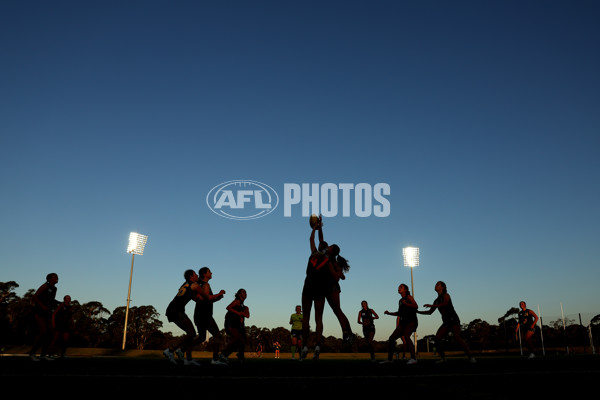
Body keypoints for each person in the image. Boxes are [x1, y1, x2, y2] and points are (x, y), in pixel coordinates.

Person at [417, 281, 476, 363]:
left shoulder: (446, 295)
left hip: (453, 319)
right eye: (436, 284)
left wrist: (432, 305)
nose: (436, 285)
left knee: (457, 338)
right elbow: (429, 312)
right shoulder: (436, 300)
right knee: (437, 339)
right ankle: (443, 358)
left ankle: (471, 357)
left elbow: (444, 304)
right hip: (446, 322)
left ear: (443, 287)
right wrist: (417, 312)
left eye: (438, 284)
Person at [164, 269, 202, 366]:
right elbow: (201, 298)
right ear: (191, 277)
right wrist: (215, 296)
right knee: (192, 333)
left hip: (174, 309)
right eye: (195, 274)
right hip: (177, 310)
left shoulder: (185, 284)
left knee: (191, 333)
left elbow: (193, 298)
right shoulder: (194, 285)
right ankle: (171, 350)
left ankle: (183, 353)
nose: (197, 276)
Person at [195, 266, 227, 365]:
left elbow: (206, 300)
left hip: (199, 314)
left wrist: (217, 298)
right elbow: (207, 298)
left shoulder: (199, 285)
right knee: (217, 336)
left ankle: (182, 349)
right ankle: (215, 359)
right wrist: (219, 293)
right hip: (205, 315)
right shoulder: (206, 285)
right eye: (209, 272)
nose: (211, 273)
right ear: (204, 274)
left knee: (201, 338)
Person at [381, 284, 418, 365]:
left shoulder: (409, 297)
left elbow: (416, 306)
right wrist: (389, 313)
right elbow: (399, 313)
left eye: (401, 287)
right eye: (398, 287)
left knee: (406, 336)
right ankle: (390, 359)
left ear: (405, 289)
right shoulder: (400, 300)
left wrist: (406, 303)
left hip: (411, 321)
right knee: (391, 338)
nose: (399, 288)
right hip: (403, 322)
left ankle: (413, 358)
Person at [29, 273, 60, 361]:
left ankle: (43, 355)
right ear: (49, 279)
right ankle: (32, 354)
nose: (57, 278)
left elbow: (51, 300)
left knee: (50, 333)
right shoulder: (44, 286)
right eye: (54, 277)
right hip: (39, 311)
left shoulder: (54, 288)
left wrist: (59, 303)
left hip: (47, 312)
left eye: (57, 277)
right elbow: (35, 297)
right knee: (43, 331)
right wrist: (42, 306)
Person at [218, 289, 249, 363]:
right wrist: (239, 313)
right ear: (238, 294)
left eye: (245, 292)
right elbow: (228, 307)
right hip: (230, 323)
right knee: (237, 337)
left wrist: (244, 312)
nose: (245, 293)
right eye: (243, 292)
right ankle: (223, 353)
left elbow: (247, 315)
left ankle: (235, 356)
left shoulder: (244, 306)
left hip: (237, 325)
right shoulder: (237, 301)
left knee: (241, 341)